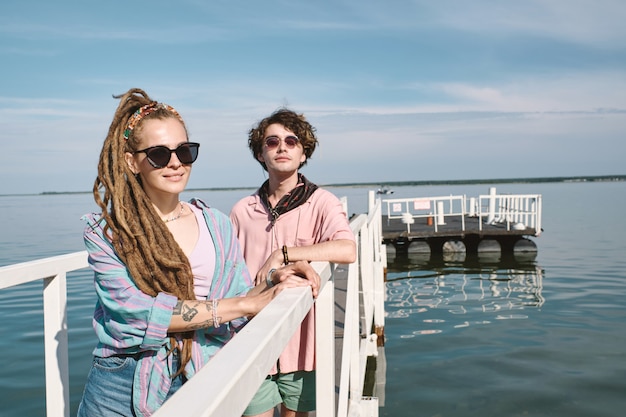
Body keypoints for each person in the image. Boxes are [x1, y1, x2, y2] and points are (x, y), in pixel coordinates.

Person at [77, 89, 319, 417]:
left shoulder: (215, 224)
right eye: (159, 154)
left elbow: (237, 296)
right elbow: (133, 314)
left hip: (203, 373)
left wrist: (275, 278)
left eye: (185, 151)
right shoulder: (109, 232)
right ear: (131, 161)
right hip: (124, 384)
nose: (175, 163)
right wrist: (244, 304)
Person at [230, 108, 357, 417]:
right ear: (261, 154)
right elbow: (229, 272)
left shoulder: (321, 201)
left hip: (301, 343)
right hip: (252, 337)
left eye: (291, 140)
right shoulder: (242, 210)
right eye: (272, 142)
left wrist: (286, 253)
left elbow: (347, 249)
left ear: (303, 153)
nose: (282, 147)